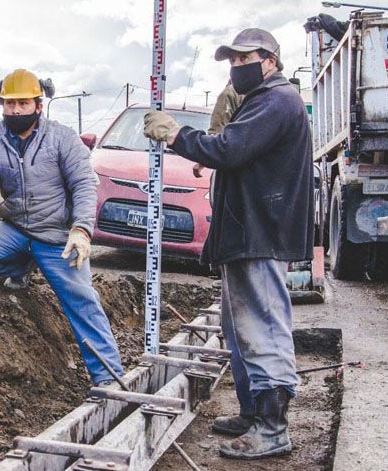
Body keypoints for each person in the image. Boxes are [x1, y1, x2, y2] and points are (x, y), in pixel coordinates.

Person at [143, 28, 314, 459]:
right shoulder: (262, 100)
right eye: (233, 62)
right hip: (247, 230)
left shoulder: (277, 100)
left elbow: (230, 150)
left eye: (246, 59)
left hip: (261, 232)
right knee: (238, 330)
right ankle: (254, 412)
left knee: (261, 328)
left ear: (270, 61)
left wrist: (177, 135)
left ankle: (272, 428)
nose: (238, 67)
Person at [0, 68, 124, 387]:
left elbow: (84, 184)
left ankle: (108, 378)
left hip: (57, 236)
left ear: (38, 105)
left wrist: (81, 229)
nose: (16, 110)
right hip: (18, 228)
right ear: (2, 105)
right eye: (10, 104)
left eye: (23, 103)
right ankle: (24, 263)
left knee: (80, 300)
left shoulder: (62, 138)